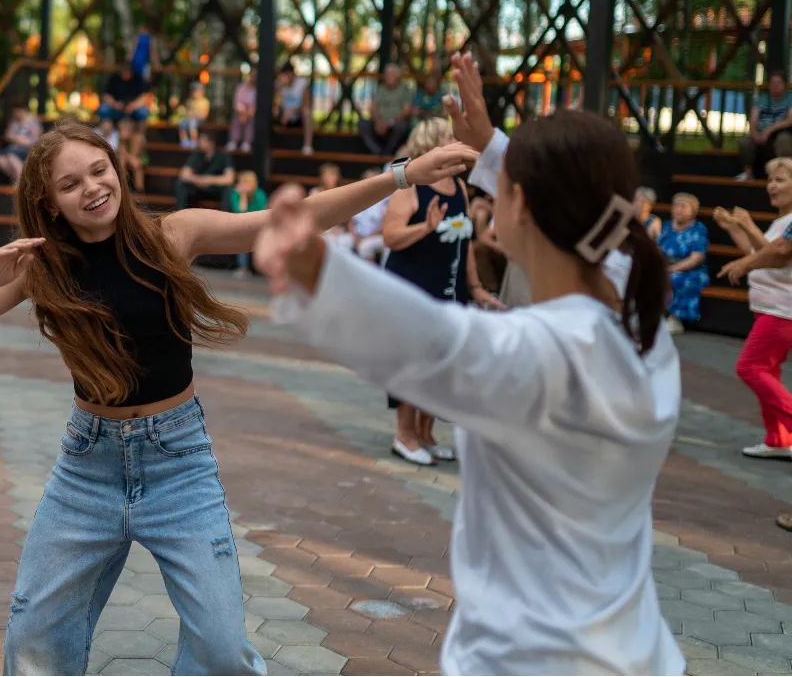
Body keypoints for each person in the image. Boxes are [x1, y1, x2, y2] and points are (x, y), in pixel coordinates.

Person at [0, 117, 476, 676]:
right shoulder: (42, 268)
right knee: (34, 638)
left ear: (118, 169)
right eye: (71, 184)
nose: (93, 188)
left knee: (224, 652)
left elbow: (296, 218)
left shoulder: (172, 236)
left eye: (99, 170)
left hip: (178, 463)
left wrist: (400, 177)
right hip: (87, 470)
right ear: (51, 203)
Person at [253, 52, 683, 677]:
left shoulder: (548, 355)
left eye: (497, 187)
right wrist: (491, 146)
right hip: (635, 650)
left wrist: (319, 271)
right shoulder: (638, 319)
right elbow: (599, 229)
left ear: (522, 208)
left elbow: (436, 343)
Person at [381, 117, 504, 466]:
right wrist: (426, 226)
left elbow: (464, 243)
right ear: (433, 142)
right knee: (414, 363)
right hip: (412, 289)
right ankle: (404, 436)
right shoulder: (411, 186)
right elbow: (390, 237)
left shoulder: (459, 187)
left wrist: (476, 287)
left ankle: (425, 434)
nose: (456, 141)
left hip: (449, 291)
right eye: (450, 137)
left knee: (442, 366)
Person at [714, 158, 792, 460]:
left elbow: (777, 257)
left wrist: (745, 224)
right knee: (767, 371)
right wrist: (734, 228)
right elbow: (757, 254)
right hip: (770, 307)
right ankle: (778, 439)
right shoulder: (780, 222)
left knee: (750, 368)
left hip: (782, 310)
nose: (772, 185)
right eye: (770, 180)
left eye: (781, 180)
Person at [657, 192, 709, 335]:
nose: (678, 209)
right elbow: (657, 249)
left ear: (693, 211)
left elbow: (696, 258)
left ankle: (676, 319)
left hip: (689, 268)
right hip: (666, 265)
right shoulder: (666, 226)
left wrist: (673, 269)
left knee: (679, 278)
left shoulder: (698, 229)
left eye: (683, 206)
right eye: (676, 206)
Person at [738, 70, 792, 180]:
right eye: (773, 83)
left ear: (784, 85)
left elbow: (790, 119)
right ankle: (748, 173)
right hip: (761, 132)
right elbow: (753, 119)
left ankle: (785, 173)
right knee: (745, 142)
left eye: (779, 83)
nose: (775, 86)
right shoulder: (761, 99)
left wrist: (769, 130)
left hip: (781, 132)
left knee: (784, 141)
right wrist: (754, 133)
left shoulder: (790, 98)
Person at [359, 64, 413, 155]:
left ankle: (388, 151)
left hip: (395, 123)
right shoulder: (381, 89)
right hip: (379, 123)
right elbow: (373, 107)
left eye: (391, 74)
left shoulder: (405, 89)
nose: (388, 76)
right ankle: (376, 150)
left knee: (402, 126)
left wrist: (389, 123)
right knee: (362, 123)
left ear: (398, 76)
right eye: (386, 74)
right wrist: (378, 122)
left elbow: (406, 111)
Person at [173, 132, 235, 210]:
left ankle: (225, 217)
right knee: (181, 183)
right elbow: (184, 174)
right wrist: (199, 179)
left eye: (203, 140)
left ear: (212, 143)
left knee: (228, 188)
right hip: (198, 187)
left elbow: (229, 179)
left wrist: (209, 179)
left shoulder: (223, 155)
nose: (199, 142)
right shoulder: (197, 154)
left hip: (214, 189)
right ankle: (180, 212)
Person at [229, 170, 268, 277]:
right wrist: (243, 196)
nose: (244, 186)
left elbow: (263, 214)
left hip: (259, 224)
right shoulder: (235, 194)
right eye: (242, 183)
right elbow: (240, 213)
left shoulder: (260, 194)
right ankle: (243, 268)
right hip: (244, 225)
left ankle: (265, 268)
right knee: (242, 234)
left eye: (247, 183)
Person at [273, 62, 313, 154]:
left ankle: (308, 145)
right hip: (284, 116)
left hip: (298, 116)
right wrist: (280, 87)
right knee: (273, 111)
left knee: (306, 113)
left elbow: (307, 104)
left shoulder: (302, 83)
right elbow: (276, 104)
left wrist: (293, 110)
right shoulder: (279, 84)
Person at [0, 103, 42, 182]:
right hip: (14, 148)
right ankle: (19, 179)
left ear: (23, 110)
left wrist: (18, 140)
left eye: (17, 112)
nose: (16, 114)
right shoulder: (14, 123)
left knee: (11, 156)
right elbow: (8, 135)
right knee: (0, 159)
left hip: (27, 148)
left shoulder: (33, 121)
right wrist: (16, 139)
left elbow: (36, 139)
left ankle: (20, 181)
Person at [351, 168, 388, 262]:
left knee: (365, 246)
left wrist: (367, 237)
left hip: (376, 236)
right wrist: (355, 236)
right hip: (357, 235)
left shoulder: (384, 200)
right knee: (340, 243)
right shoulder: (357, 198)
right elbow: (351, 221)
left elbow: (384, 225)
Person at [179, 82, 210, 148]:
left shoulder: (205, 101)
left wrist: (196, 115)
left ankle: (194, 141)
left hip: (199, 119)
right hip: (189, 118)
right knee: (182, 122)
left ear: (202, 92)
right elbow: (186, 112)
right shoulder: (189, 101)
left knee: (192, 123)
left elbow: (204, 114)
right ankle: (184, 140)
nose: (194, 93)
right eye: (193, 91)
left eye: (196, 91)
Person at [116, 119, 144, 194]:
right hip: (127, 158)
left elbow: (134, 155)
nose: (121, 133)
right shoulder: (121, 139)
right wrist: (123, 143)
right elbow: (120, 153)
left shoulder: (137, 138)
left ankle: (139, 190)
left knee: (136, 164)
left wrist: (124, 150)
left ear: (129, 131)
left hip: (139, 158)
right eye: (120, 130)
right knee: (122, 162)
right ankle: (123, 187)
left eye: (123, 130)